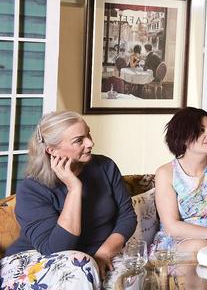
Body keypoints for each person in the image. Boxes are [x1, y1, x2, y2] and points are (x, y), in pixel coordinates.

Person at [0, 111, 137, 289]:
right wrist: (74, 188)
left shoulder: (105, 166)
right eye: (79, 140)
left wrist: (104, 252)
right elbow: (57, 250)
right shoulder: (32, 188)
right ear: (52, 150)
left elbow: (127, 216)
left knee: (133, 273)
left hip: (93, 254)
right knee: (81, 266)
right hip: (34, 261)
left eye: (88, 134)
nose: (90, 143)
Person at [151, 107, 207, 258]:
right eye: (201, 130)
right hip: (179, 239)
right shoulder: (165, 173)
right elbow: (172, 227)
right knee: (199, 246)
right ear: (183, 137)